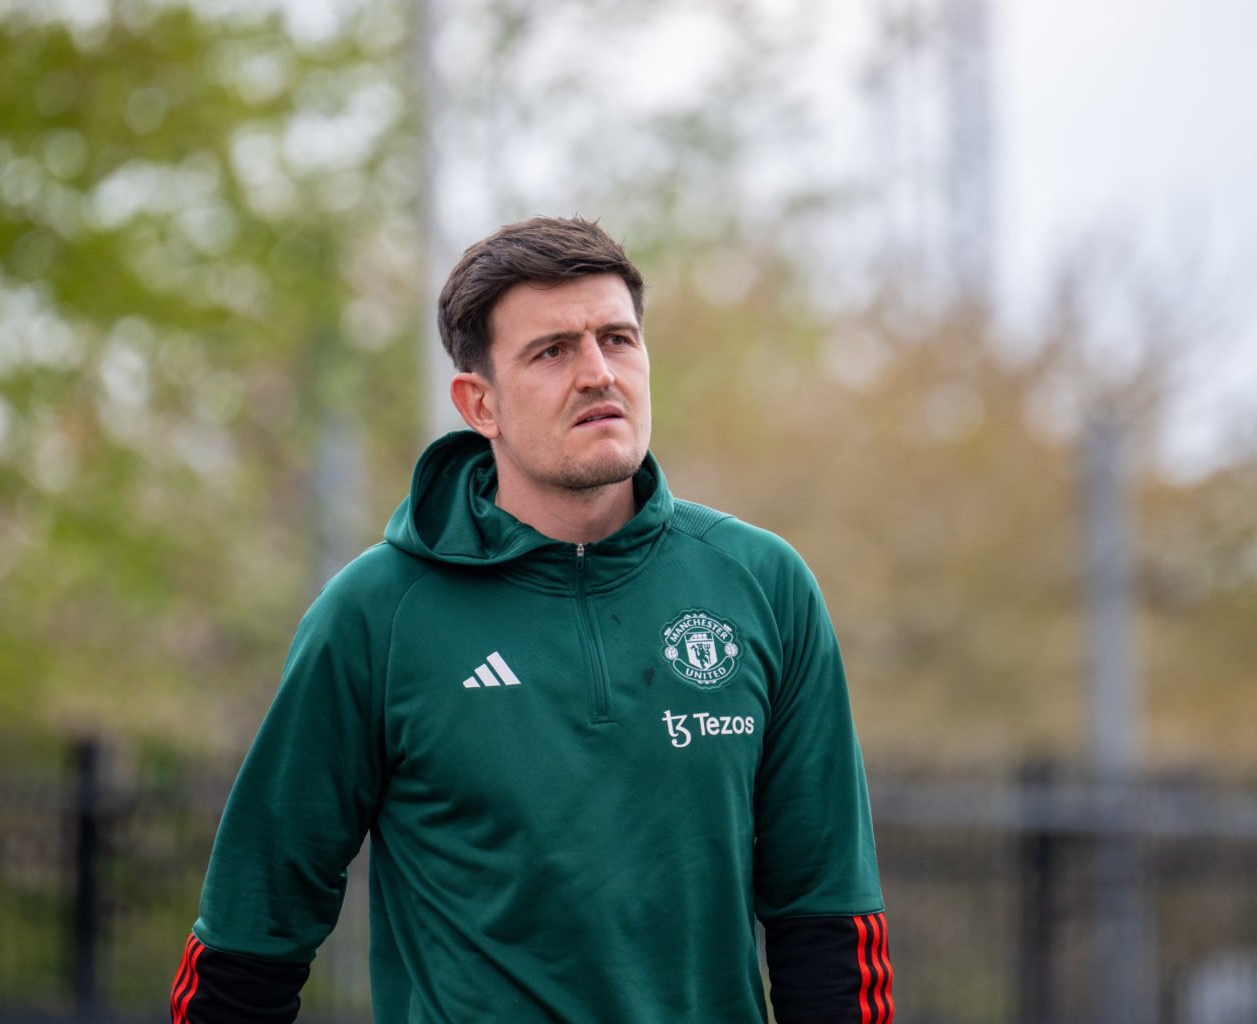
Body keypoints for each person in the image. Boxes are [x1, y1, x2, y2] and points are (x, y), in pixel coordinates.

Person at [170, 216, 893, 1023]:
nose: (597, 374)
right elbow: (250, 937)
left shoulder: (763, 586)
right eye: (552, 352)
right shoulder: (375, 614)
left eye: (617, 340)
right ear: (480, 403)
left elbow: (829, 921)